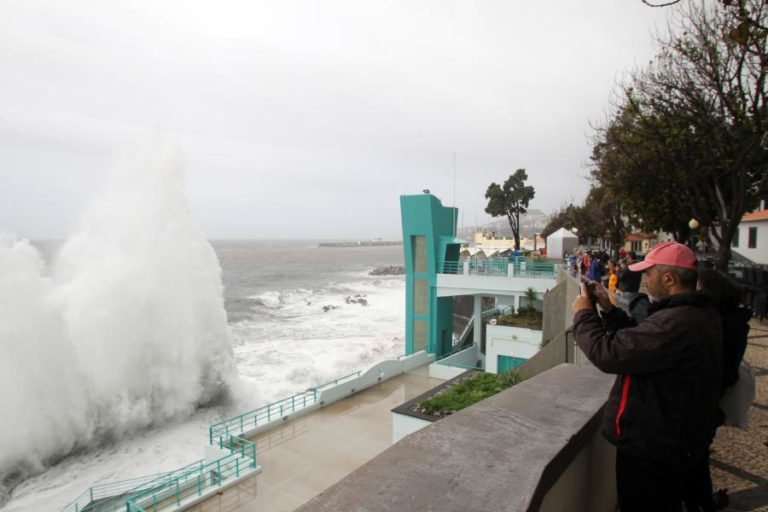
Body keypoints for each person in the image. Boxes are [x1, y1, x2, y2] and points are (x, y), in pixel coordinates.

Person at [571, 241, 722, 512]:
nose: (645, 280)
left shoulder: (676, 323)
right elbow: (644, 345)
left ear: (669, 278)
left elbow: (608, 353)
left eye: (648, 273)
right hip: (673, 440)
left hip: (653, 449)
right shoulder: (691, 316)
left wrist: (583, 313)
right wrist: (610, 310)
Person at [682, 269, 752, 512]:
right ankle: (702, 503)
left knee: (691, 464)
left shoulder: (714, 325)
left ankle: (699, 503)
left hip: (699, 407)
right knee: (697, 463)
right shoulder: (733, 321)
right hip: (710, 407)